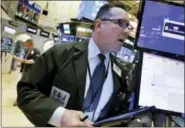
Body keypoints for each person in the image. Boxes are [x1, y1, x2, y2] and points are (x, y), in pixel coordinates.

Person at [17, 3, 135, 127]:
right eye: (121, 23)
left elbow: (118, 111)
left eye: (128, 26)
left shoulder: (119, 72)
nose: (127, 31)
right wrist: (60, 116)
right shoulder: (60, 54)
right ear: (99, 25)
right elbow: (26, 92)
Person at [13, 39, 40, 106]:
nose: (26, 46)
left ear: (30, 44)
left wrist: (20, 60)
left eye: (27, 45)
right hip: (25, 70)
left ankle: (19, 100)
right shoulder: (28, 50)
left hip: (30, 72)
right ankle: (20, 98)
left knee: (24, 86)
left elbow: (33, 61)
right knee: (22, 85)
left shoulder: (36, 51)